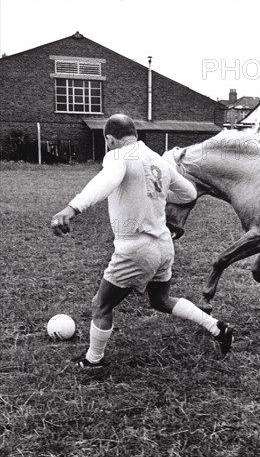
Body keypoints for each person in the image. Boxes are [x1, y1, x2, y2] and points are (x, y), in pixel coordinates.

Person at [51, 113, 234, 368]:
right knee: (161, 300)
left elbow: (104, 182)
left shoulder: (117, 155)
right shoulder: (157, 159)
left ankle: (93, 361)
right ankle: (216, 327)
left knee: (101, 304)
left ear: (110, 139)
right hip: (163, 246)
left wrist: (72, 209)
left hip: (135, 248)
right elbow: (189, 193)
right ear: (135, 135)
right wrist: (156, 191)